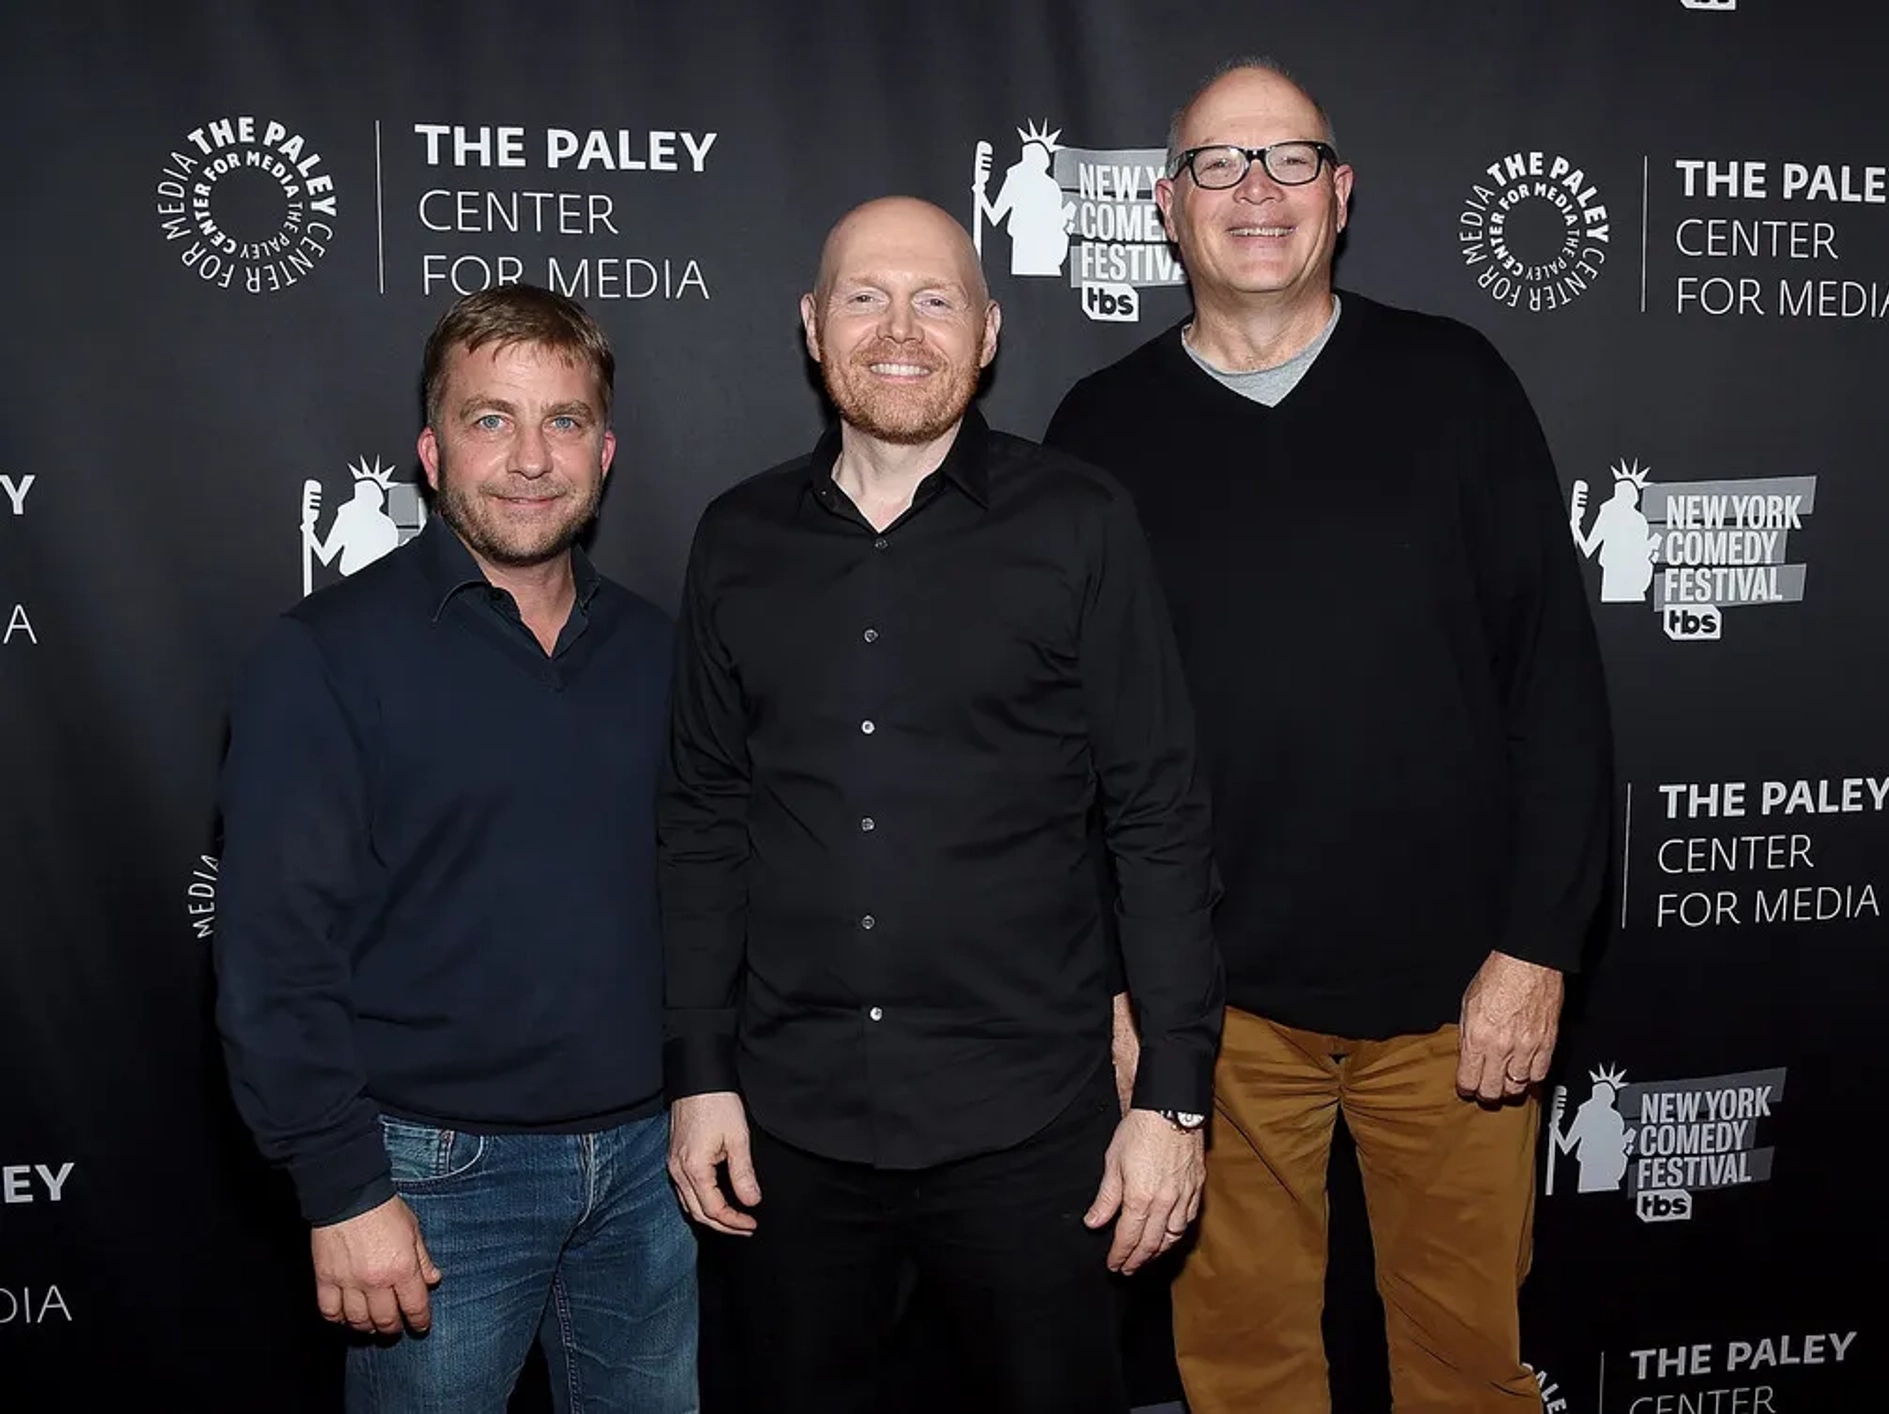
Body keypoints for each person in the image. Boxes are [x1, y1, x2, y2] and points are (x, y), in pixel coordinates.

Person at [1045, 59, 1614, 1414]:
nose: (1258, 190)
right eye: (1221, 165)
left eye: (1291, 159)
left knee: (1470, 1367)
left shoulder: (1455, 383)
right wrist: (1123, 987)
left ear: (1341, 194)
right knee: (1243, 1375)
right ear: (1170, 206)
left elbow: (1558, 689)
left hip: (1457, 1007)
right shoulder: (1099, 432)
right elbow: (1072, 749)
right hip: (1219, 1019)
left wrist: (1537, 949)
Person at [659, 195, 1224, 1414]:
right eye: (865, 296)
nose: (899, 328)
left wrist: (1174, 1093)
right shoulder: (737, 537)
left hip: (1032, 1134)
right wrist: (699, 1069)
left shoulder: (1080, 523)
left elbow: (1159, 814)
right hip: (790, 1136)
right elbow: (705, 814)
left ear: (989, 331)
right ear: (814, 326)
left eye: (935, 299)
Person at [213, 284, 696, 1413]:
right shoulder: (323, 658)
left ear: (606, 450)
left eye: (563, 421)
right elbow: (273, 956)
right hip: (434, 1182)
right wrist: (342, 1189)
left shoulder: (660, 651)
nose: (530, 457)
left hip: (647, 1167)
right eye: (492, 419)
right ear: (431, 453)